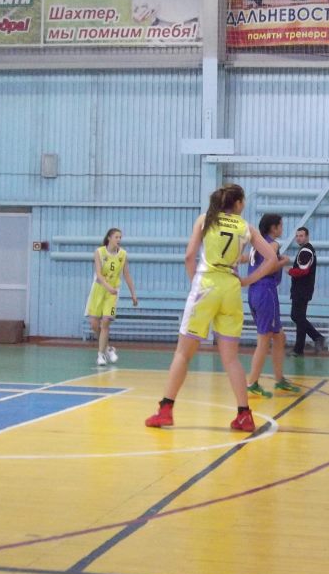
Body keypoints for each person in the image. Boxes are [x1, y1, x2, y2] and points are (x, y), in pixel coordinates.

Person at [145, 184, 278, 432]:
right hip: (231, 288)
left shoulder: (205, 219)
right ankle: (244, 415)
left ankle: (165, 410)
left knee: (183, 353)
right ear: (238, 204)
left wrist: (194, 282)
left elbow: (189, 256)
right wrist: (248, 280)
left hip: (206, 284)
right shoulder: (246, 227)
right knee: (231, 358)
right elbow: (271, 258)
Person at [245, 214, 301, 398]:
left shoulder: (256, 245)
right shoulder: (273, 244)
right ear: (273, 228)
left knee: (279, 337)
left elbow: (253, 262)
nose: (282, 228)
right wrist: (282, 262)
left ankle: (279, 380)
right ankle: (252, 383)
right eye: (280, 225)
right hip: (266, 291)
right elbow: (269, 266)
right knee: (264, 339)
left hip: (254, 291)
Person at [85, 227, 138, 367]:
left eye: (120, 237)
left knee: (106, 322)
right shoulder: (99, 252)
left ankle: (100, 355)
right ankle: (108, 348)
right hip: (98, 290)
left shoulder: (123, 255)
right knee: (94, 324)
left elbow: (127, 275)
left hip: (113, 293)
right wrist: (107, 286)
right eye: (116, 237)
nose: (119, 239)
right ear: (109, 238)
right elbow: (99, 274)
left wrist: (133, 293)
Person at [288, 226, 326, 356]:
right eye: (297, 236)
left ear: (307, 237)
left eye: (301, 236)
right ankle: (299, 349)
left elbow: (303, 271)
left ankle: (317, 337)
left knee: (296, 316)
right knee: (300, 318)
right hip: (302, 289)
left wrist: (289, 270)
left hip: (302, 290)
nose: (298, 238)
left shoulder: (306, 251)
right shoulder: (306, 250)